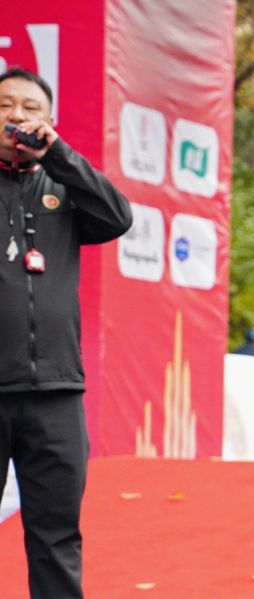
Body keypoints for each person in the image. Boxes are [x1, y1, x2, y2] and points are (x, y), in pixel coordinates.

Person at [0, 67, 133, 598]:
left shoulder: (64, 186)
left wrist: (57, 154)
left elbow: (118, 216)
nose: (17, 116)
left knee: (56, 537)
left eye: (30, 108)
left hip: (56, 393)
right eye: (5, 105)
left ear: (48, 121)